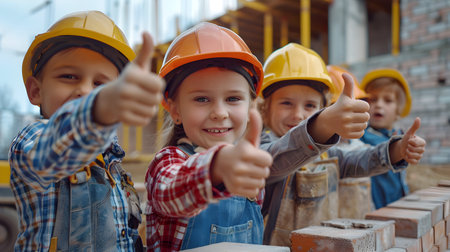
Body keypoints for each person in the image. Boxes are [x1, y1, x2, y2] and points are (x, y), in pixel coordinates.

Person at [9, 11, 164, 251]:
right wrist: (97, 108)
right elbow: (49, 155)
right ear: (35, 90)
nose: (84, 91)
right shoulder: (33, 140)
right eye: (69, 76)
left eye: (100, 85)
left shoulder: (116, 168)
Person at [258, 44, 426, 245]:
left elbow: (361, 160)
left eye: (310, 105)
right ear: (265, 108)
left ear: (323, 108)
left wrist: (397, 150)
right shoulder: (261, 149)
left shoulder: (328, 154)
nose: (298, 115)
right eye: (286, 103)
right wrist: (319, 127)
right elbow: (276, 161)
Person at [144, 22, 273, 251]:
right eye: (202, 99)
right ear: (175, 110)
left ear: (251, 105)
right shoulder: (168, 162)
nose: (220, 113)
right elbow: (171, 190)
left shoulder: (249, 165)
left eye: (233, 99)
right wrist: (217, 167)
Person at [359, 68, 426, 209]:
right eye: (373, 99)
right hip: (375, 209)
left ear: (398, 110)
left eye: (388, 100)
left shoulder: (398, 135)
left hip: (396, 204)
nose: (379, 104)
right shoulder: (361, 136)